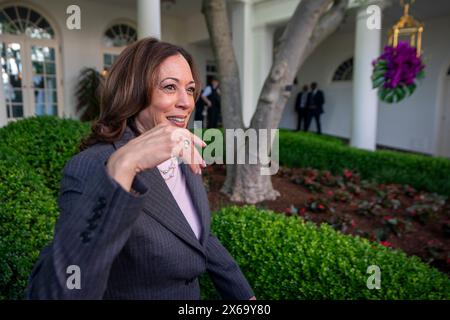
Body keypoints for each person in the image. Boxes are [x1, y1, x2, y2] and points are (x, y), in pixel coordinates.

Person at [26, 38, 255, 300]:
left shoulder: (182, 151)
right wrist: (125, 166)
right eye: (170, 87)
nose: (187, 102)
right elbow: (57, 292)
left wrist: (244, 296)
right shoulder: (92, 166)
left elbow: (193, 233)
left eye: (190, 89)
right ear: (133, 92)